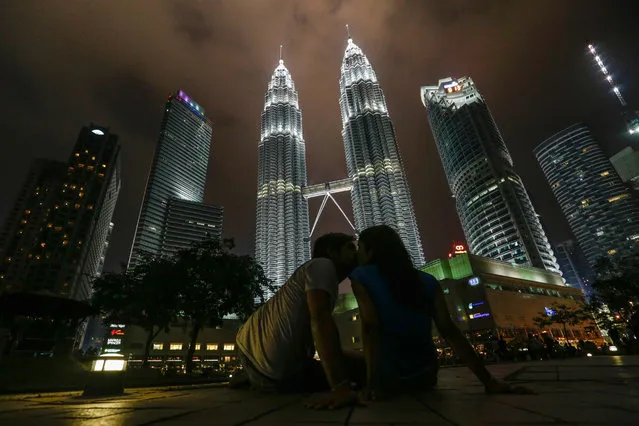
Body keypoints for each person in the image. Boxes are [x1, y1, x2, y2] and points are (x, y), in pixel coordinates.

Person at [350, 225, 532, 400]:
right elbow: (450, 331)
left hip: (388, 379)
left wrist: (372, 384)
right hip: (425, 375)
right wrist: (489, 381)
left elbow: (370, 326)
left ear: (371, 251)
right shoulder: (428, 281)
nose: (356, 253)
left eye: (360, 247)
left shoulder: (361, 275)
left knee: (343, 357)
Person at [234, 232, 364, 408]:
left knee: (361, 363)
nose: (355, 253)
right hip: (274, 373)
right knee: (365, 372)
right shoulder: (323, 265)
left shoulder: (320, 276)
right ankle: (252, 379)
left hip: (253, 357)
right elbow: (320, 321)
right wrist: (340, 388)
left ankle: (250, 379)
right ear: (332, 252)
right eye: (350, 248)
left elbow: (324, 339)